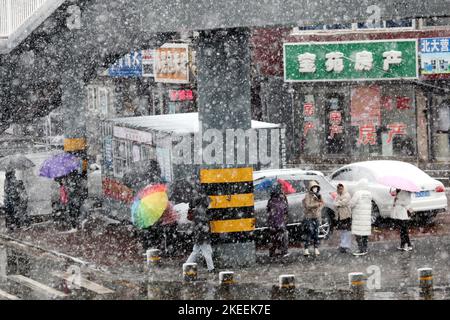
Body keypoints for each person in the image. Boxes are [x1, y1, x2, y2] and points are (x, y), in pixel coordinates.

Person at [185, 193, 215, 273]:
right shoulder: (201, 211)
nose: (209, 204)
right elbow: (201, 223)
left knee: (196, 251)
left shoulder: (199, 210)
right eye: (208, 202)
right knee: (207, 252)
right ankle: (211, 269)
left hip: (199, 235)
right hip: (202, 236)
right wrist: (205, 228)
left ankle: (187, 265)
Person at [349, 179, 372, 256]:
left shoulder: (357, 193)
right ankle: (365, 248)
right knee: (365, 233)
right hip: (366, 217)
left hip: (358, 216)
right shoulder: (369, 194)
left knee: (358, 233)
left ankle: (361, 249)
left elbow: (351, 204)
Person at [267, 183, 289, 258]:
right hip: (280, 222)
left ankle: (272, 252)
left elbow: (268, 211)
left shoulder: (271, 200)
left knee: (273, 237)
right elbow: (286, 210)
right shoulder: (282, 199)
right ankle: (283, 251)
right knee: (282, 236)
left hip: (273, 222)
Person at [302, 180, 324, 256]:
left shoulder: (319, 195)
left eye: (316, 187)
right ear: (310, 188)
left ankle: (316, 248)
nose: (315, 189)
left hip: (316, 216)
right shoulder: (307, 195)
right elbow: (308, 205)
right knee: (309, 232)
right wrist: (316, 205)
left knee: (316, 233)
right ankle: (306, 249)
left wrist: (319, 205)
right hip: (309, 216)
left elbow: (322, 204)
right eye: (313, 187)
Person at [334, 183, 352, 253]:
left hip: (346, 216)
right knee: (342, 231)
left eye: (341, 188)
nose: (340, 190)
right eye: (339, 188)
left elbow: (343, 203)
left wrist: (338, 203)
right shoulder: (338, 195)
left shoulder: (347, 195)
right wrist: (338, 203)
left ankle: (346, 246)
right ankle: (342, 245)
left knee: (347, 231)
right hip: (340, 216)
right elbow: (334, 203)